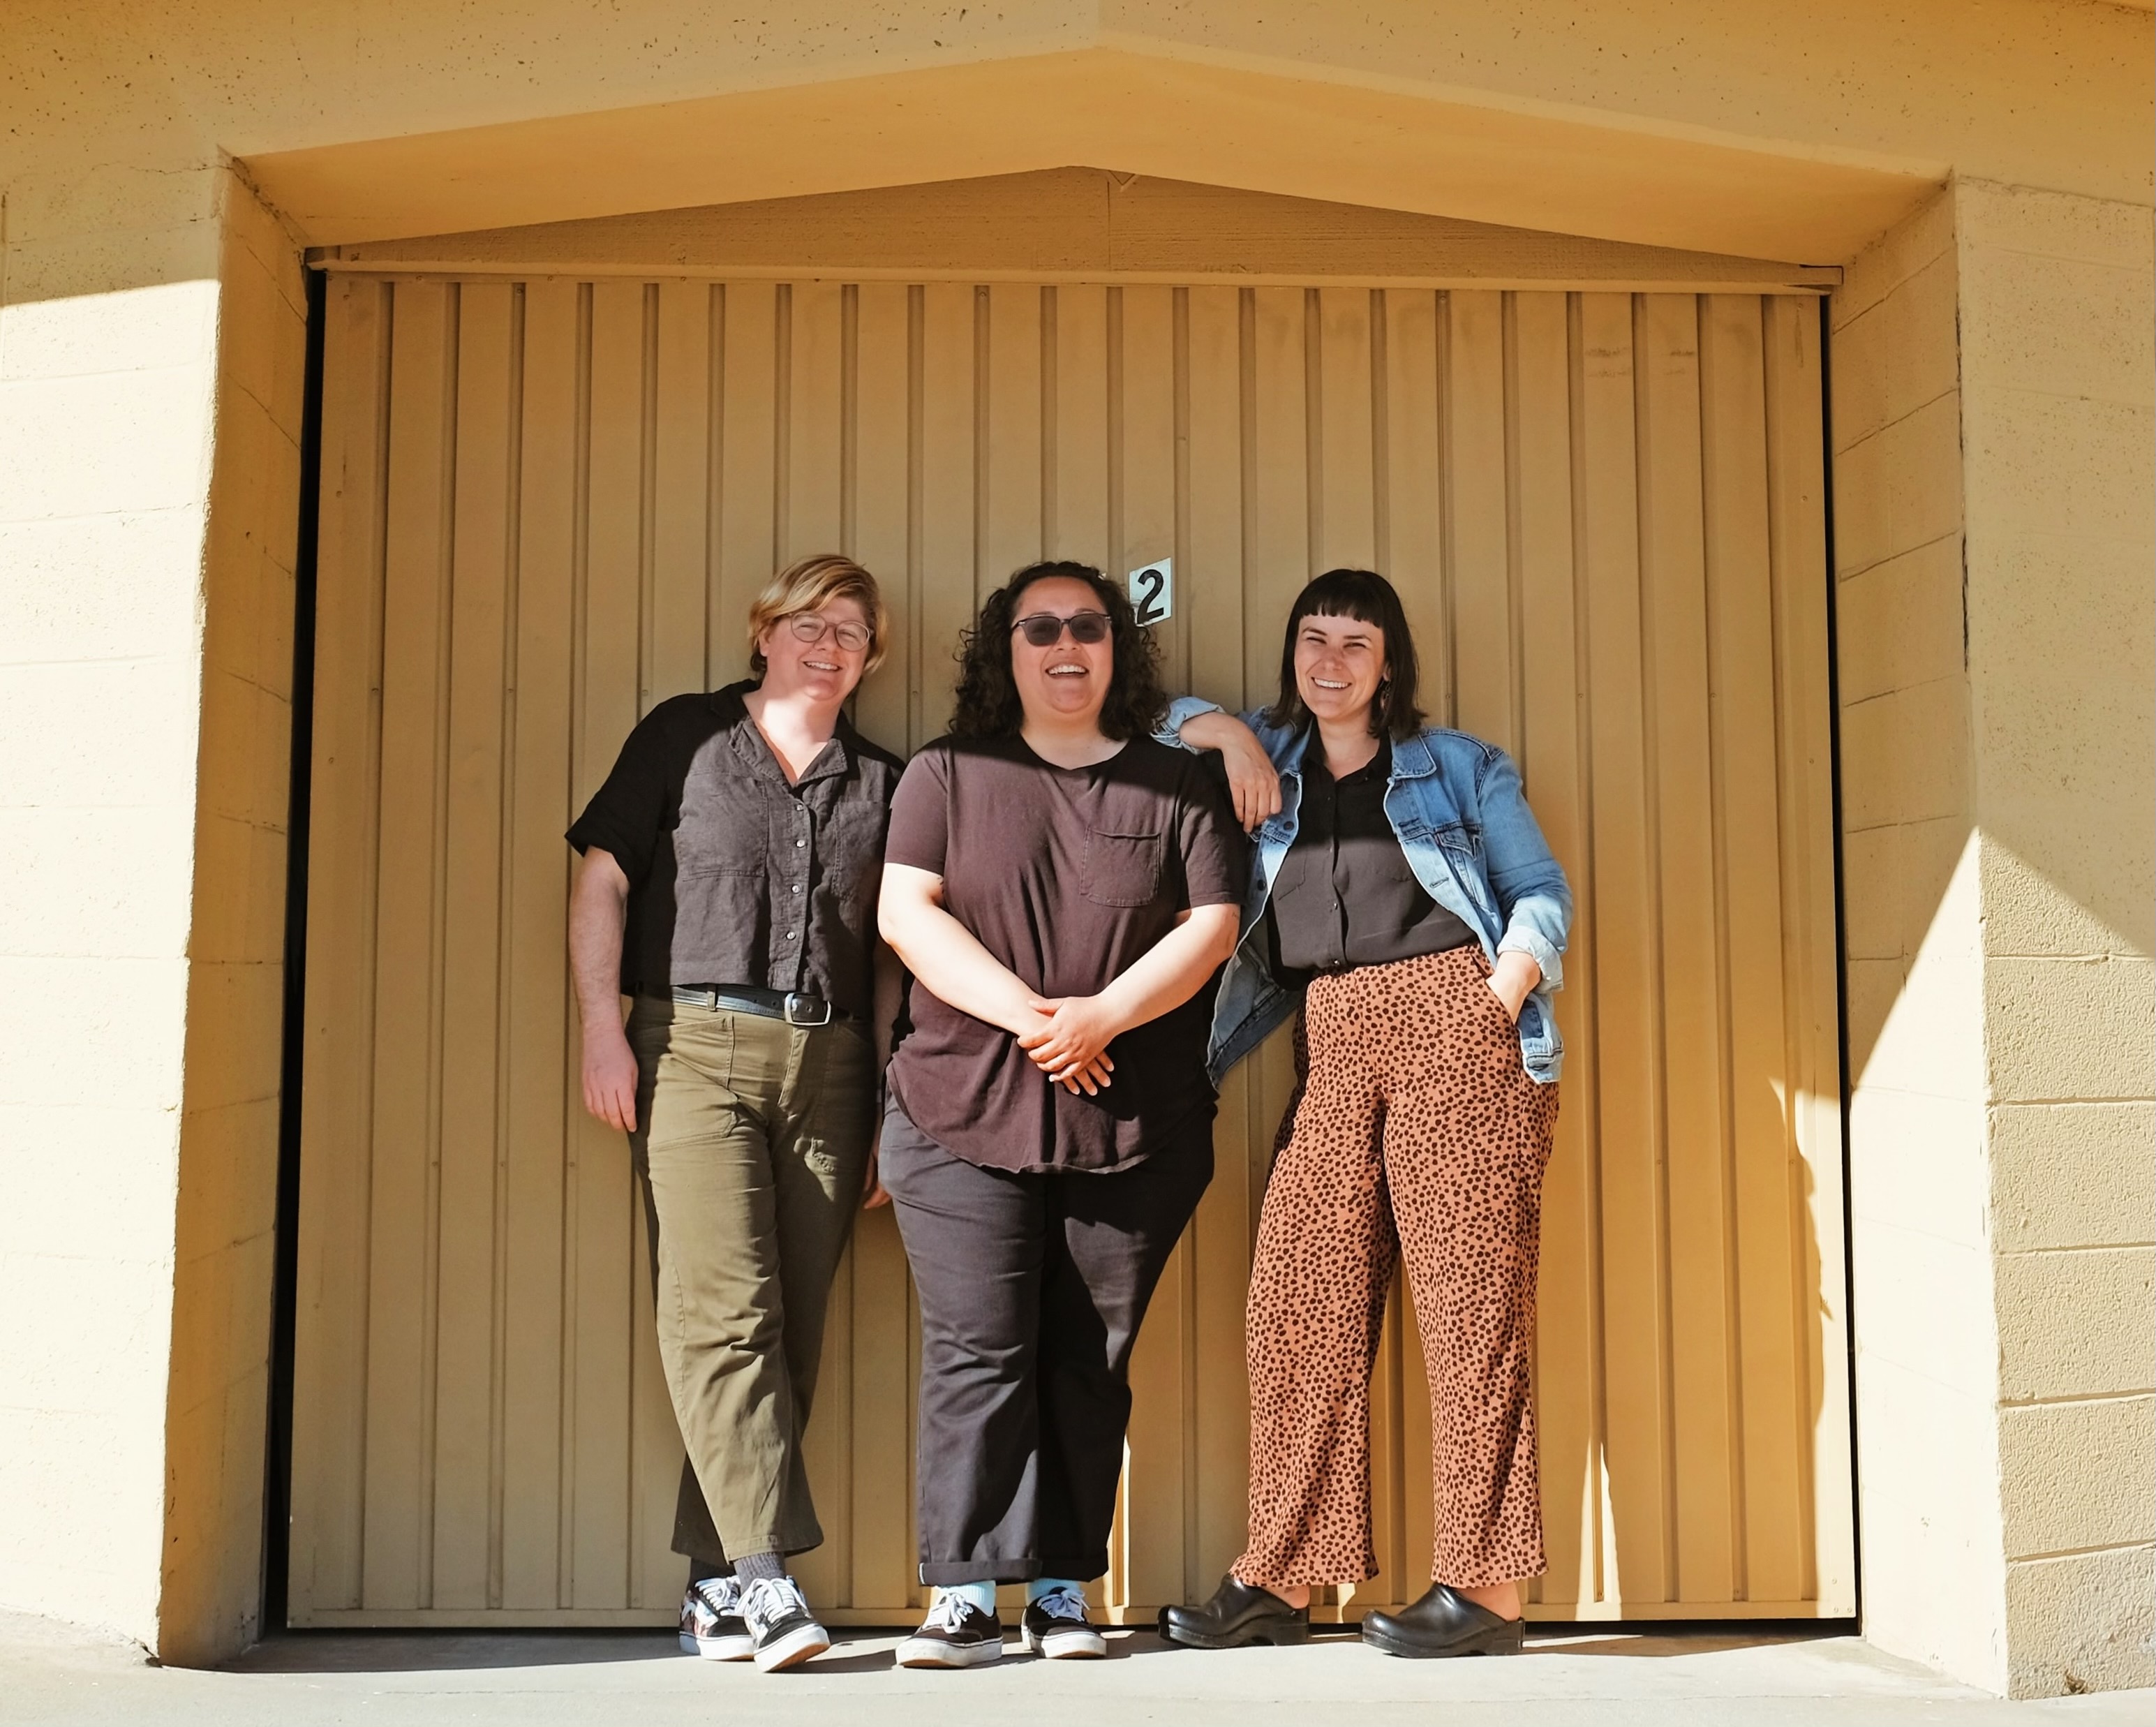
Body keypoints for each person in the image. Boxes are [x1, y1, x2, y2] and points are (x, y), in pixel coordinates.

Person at [1154, 568, 1571, 1659]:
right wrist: (1228, 738)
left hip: (1456, 1023)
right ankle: (1281, 1576)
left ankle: (1485, 1591)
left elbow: (1540, 891)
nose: (1329, 661)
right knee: (1297, 1303)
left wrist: (1498, 996)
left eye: (1354, 642)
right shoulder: (1267, 756)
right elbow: (1142, 720)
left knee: (1470, 1314)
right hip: (1332, 1034)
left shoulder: (1458, 765)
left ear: (1389, 664)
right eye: (1313, 638)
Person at [875, 561, 1247, 1668]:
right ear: (1006, 650)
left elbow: (1212, 923)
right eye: (1038, 628)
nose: (1064, 645)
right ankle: (960, 1595)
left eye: (1087, 625)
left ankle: (1059, 1590)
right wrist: (1036, 1020)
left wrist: (1103, 1018)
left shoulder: (1175, 782)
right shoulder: (947, 771)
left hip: (1133, 1126)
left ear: (1118, 647)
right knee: (979, 1353)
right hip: (958, 1111)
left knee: (1088, 1359)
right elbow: (905, 909)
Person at [565, 554, 905, 1673]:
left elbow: (896, 953)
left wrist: (890, 1100)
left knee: (790, 1329)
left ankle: (711, 1588)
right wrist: (603, 1027)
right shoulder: (684, 736)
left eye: (848, 630)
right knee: (721, 1311)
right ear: (764, 634)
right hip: (691, 1050)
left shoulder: (886, 781)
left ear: (870, 656)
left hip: (834, 1065)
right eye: (806, 622)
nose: (826, 643)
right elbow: (603, 878)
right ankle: (764, 1578)